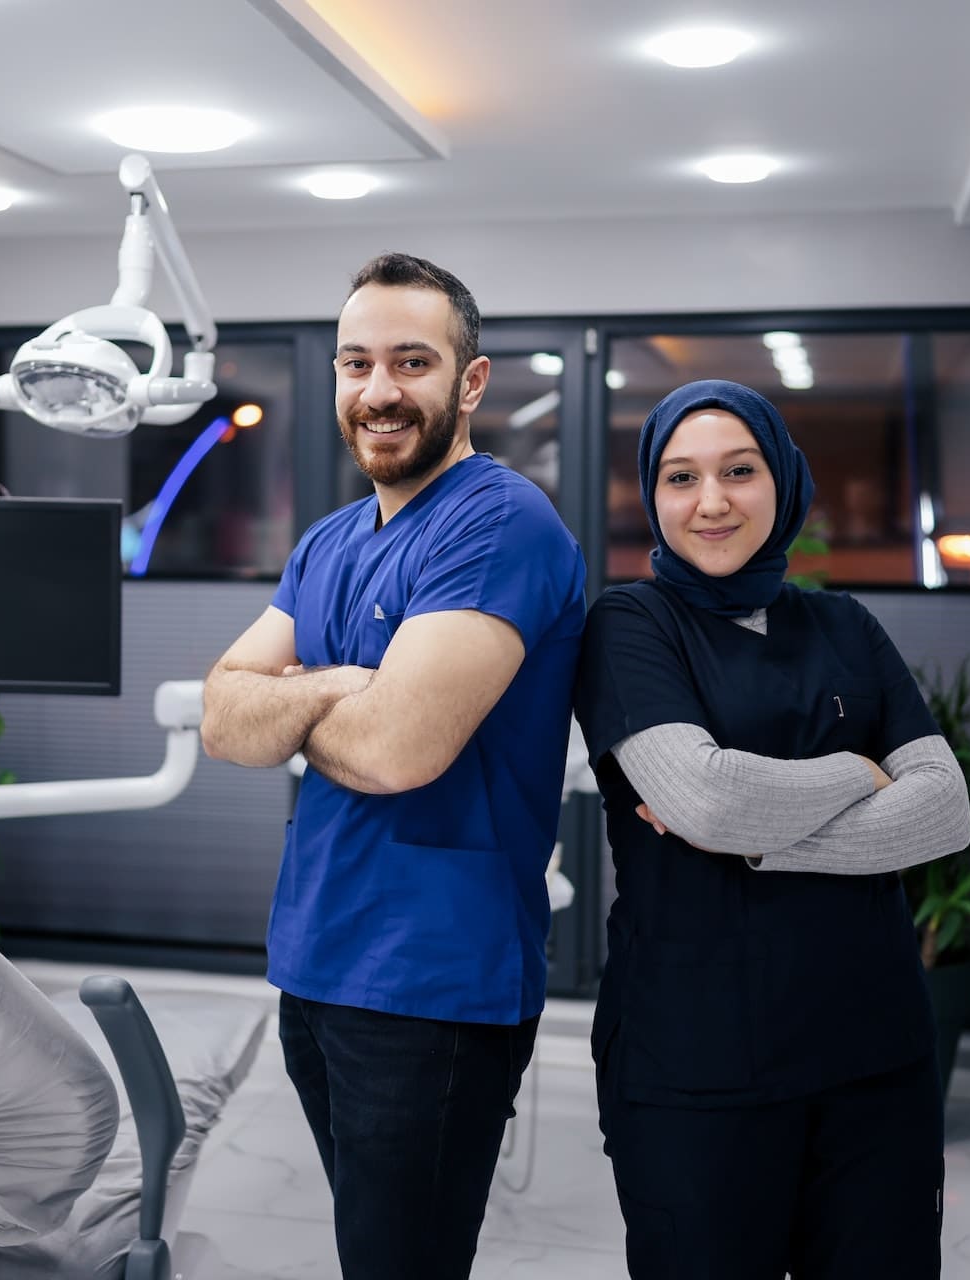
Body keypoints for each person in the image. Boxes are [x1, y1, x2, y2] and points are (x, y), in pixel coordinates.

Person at [200, 253, 586, 1279]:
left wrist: (297, 702)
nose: (378, 390)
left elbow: (396, 748)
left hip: (432, 984)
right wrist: (344, 686)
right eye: (355, 362)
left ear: (469, 382)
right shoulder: (327, 542)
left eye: (411, 361)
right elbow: (222, 717)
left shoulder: (499, 521)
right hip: (317, 961)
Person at [572, 379, 970, 1279]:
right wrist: (856, 774)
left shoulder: (845, 625)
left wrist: (746, 828)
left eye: (738, 471)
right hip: (695, 1062)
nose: (710, 501)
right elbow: (709, 799)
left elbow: (944, 810)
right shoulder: (631, 626)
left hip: (874, 1058)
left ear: (783, 480)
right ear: (653, 495)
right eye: (680, 478)